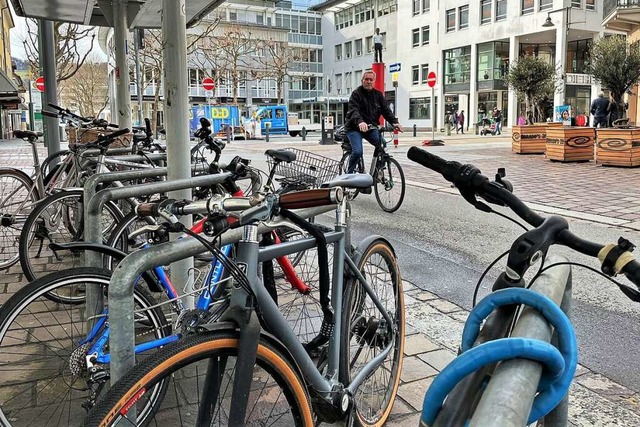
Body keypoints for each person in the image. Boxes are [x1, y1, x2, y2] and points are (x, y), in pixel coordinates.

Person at [345, 70, 402, 174]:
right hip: (354, 128)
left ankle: (378, 171)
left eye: (371, 80)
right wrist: (360, 122)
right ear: (362, 81)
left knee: (382, 144)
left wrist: (394, 122)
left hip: (370, 128)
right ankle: (348, 175)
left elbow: (386, 110)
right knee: (357, 152)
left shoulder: (378, 95)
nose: (369, 82)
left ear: (374, 81)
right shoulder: (356, 94)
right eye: (366, 79)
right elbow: (353, 110)